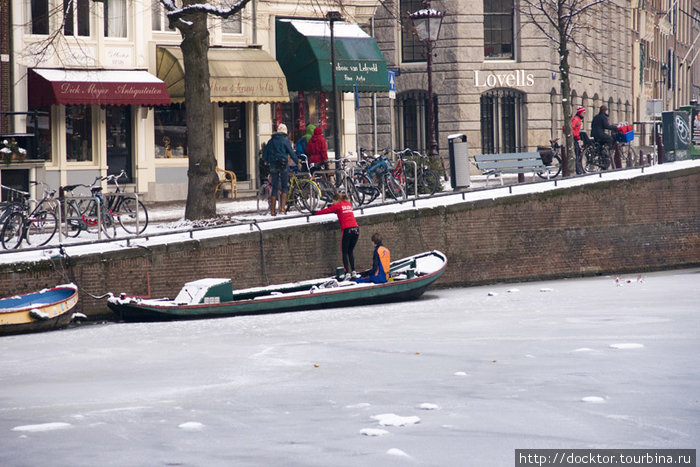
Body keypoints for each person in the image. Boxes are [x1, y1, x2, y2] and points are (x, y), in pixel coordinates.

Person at [313, 192, 359, 281]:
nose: (333, 203)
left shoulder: (338, 205)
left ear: (337, 200)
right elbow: (343, 212)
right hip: (356, 229)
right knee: (350, 251)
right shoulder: (348, 204)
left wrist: (316, 213)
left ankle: (347, 273)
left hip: (347, 230)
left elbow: (327, 210)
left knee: (344, 252)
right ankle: (353, 271)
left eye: (333, 201)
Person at [263, 123, 300, 216]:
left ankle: (272, 211)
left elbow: (265, 153)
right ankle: (282, 208)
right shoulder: (285, 140)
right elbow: (291, 153)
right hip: (283, 165)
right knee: (284, 186)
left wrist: (266, 161)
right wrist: (297, 162)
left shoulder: (271, 141)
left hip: (273, 165)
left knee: (274, 186)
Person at [571, 106, 586, 173]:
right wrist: (576, 136)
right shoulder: (576, 119)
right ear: (580, 113)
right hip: (573, 138)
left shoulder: (578, 119)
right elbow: (572, 128)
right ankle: (577, 170)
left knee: (578, 153)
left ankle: (578, 169)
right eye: (583, 113)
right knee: (577, 153)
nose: (584, 114)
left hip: (575, 138)